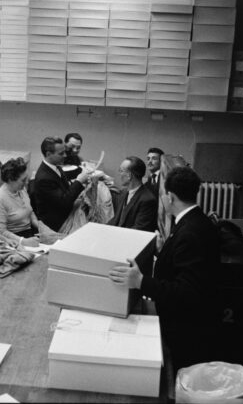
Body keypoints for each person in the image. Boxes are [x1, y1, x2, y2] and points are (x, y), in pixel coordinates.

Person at [108, 166, 220, 370]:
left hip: (186, 331)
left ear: (170, 196)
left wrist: (140, 281)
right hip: (189, 323)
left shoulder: (190, 232)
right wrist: (163, 252)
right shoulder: (194, 221)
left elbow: (188, 291)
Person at [33, 137, 91, 232]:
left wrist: (81, 184)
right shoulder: (44, 178)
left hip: (65, 214)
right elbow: (64, 202)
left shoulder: (56, 167)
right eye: (61, 153)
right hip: (57, 223)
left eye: (64, 152)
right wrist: (79, 181)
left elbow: (66, 191)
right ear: (48, 154)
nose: (65, 155)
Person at [0, 158, 40, 247]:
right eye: (23, 180)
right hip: (13, 240)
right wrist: (22, 241)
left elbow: (30, 212)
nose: (27, 182)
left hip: (29, 234)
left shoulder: (21, 189)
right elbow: (0, 231)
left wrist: (41, 227)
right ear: (10, 179)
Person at [108, 156, 156, 232]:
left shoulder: (147, 199)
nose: (119, 174)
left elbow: (138, 230)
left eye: (121, 171)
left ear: (129, 176)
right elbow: (116, 219)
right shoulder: (124, 193)